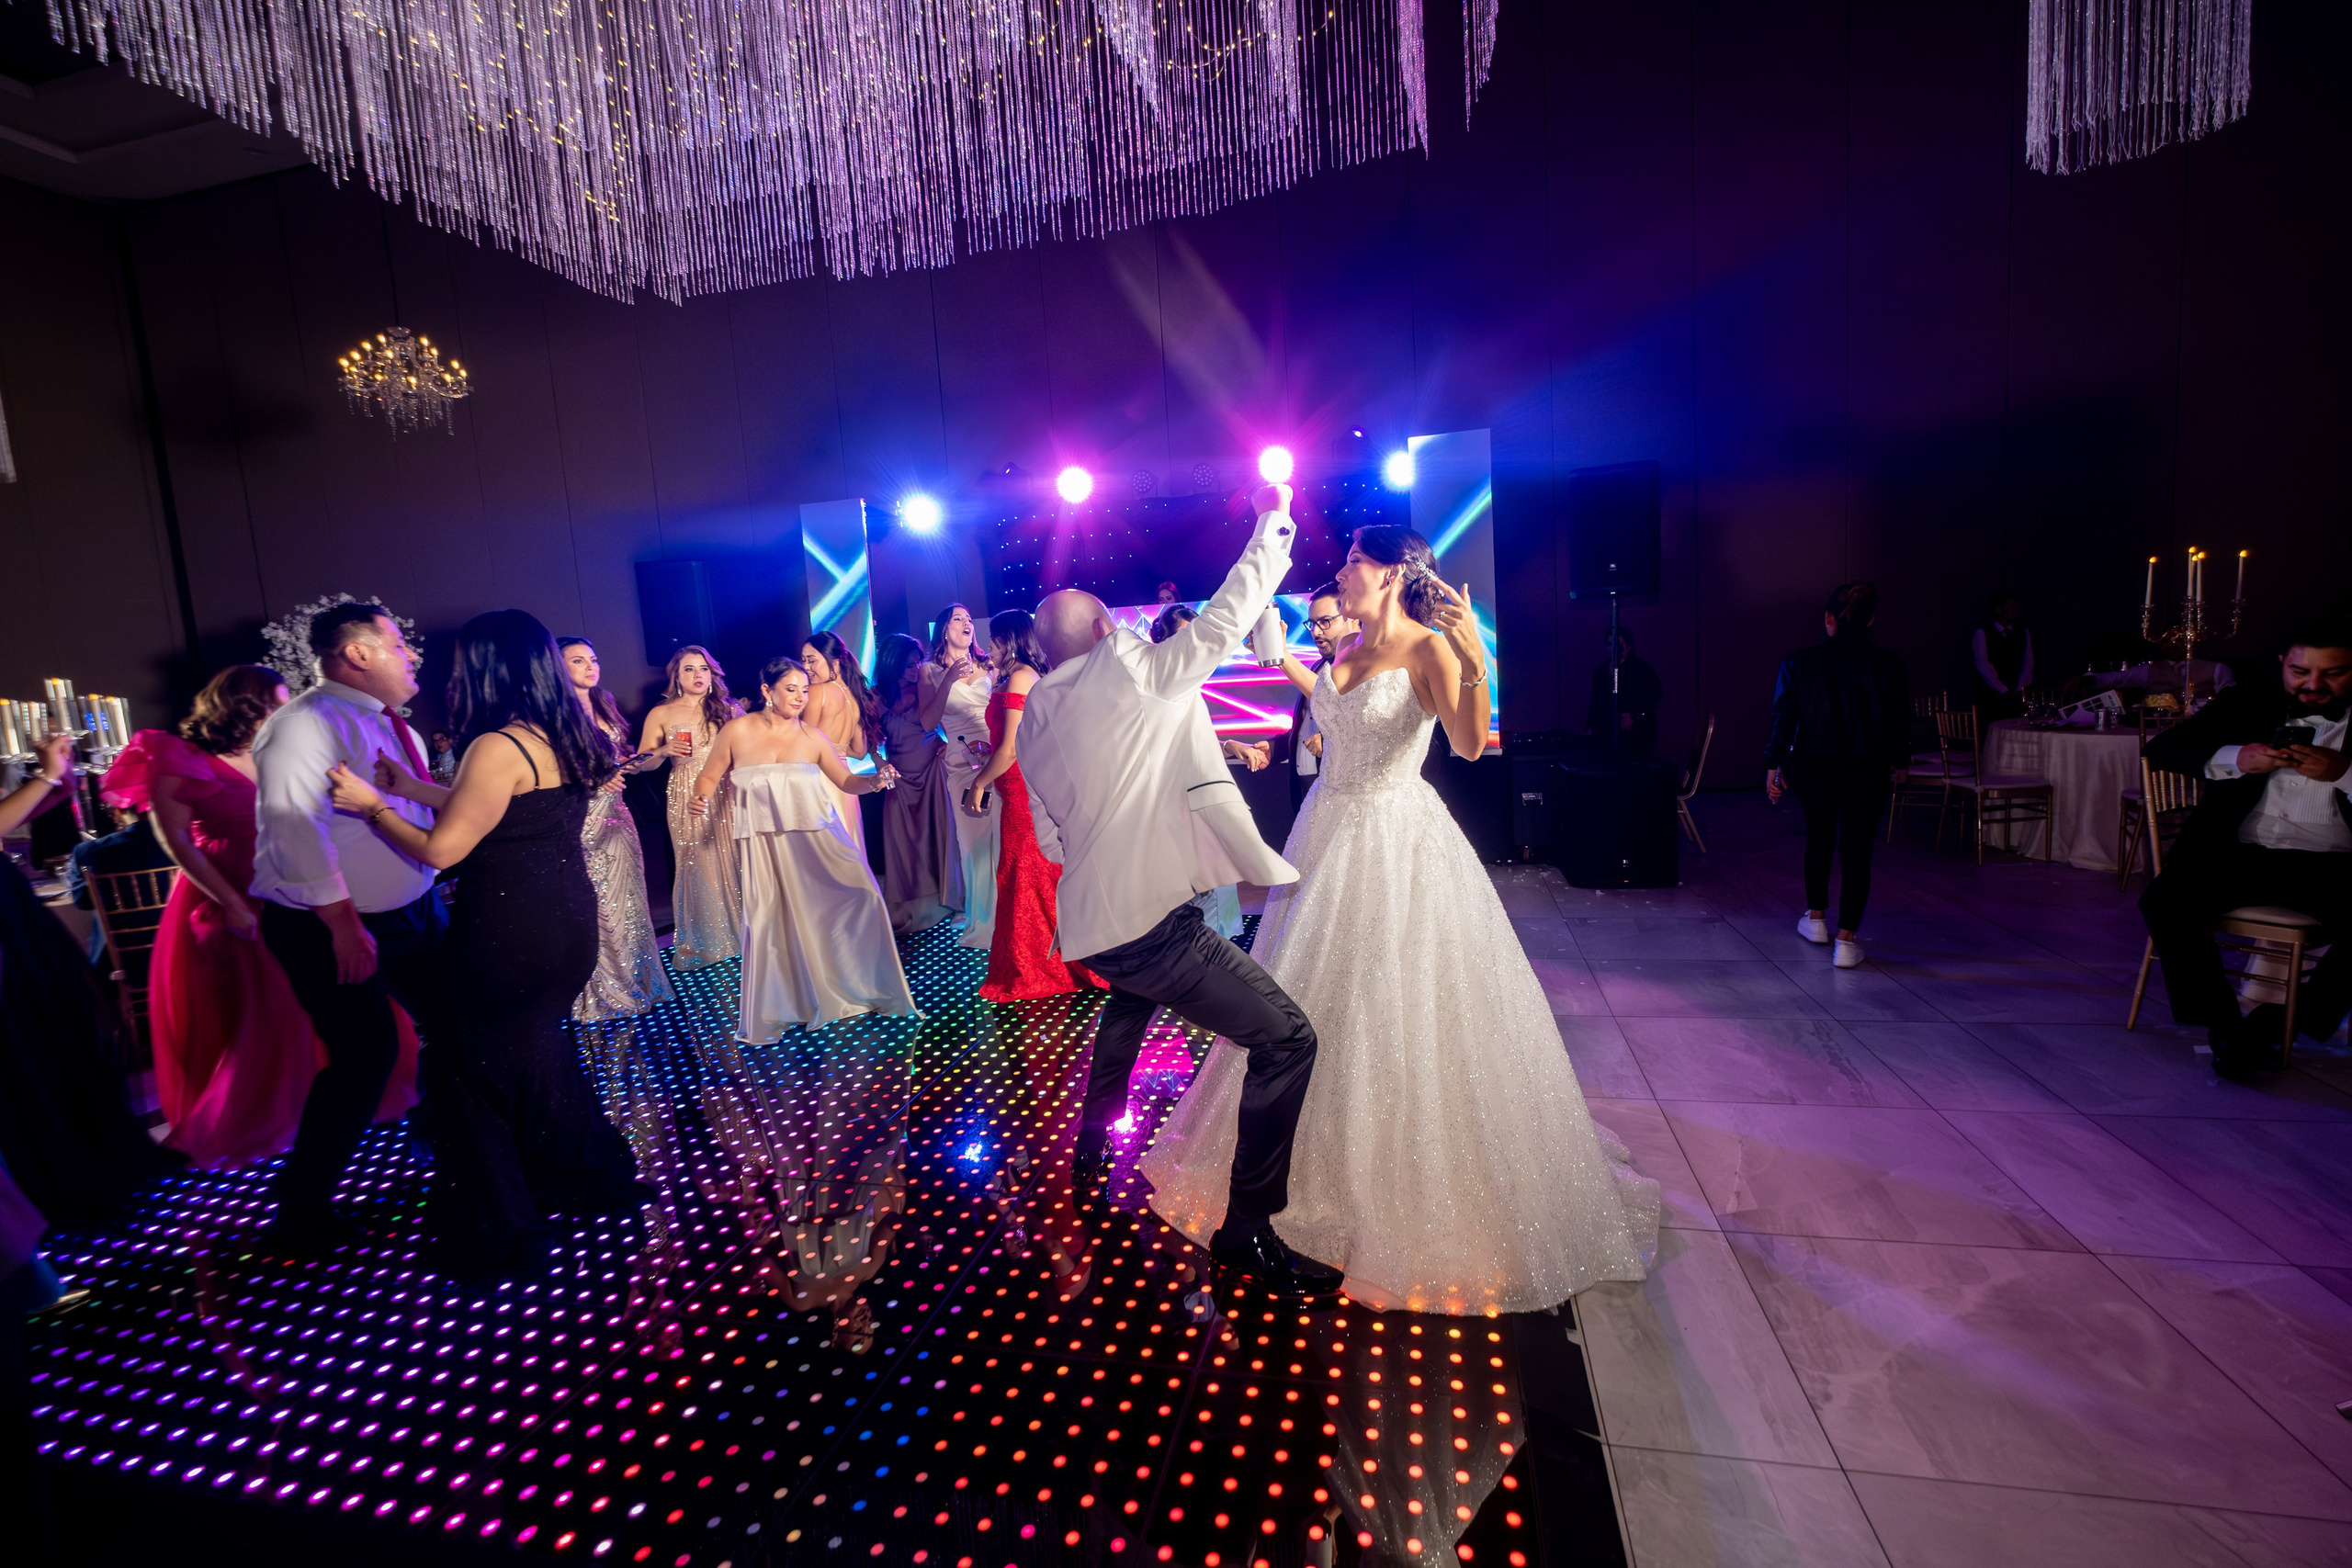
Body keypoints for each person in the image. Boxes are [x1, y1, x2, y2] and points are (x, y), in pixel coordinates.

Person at [1138, 520, 1657, 1314]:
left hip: (1392, 837)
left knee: (1395, 999)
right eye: (1346, 557)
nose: (1341, 569)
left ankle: (1395, 1180)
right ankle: (1294, 1169)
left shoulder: (1426, 646)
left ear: (1391, 573)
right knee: (1312, 994)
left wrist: (1475, 660)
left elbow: (1468, 744)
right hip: (1326, 831)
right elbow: (1330, 720)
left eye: (1354, 559)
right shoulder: (1342, 647)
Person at [1015, 484, 1338, 1292]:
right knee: (1288, 1039)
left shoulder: (1039, 719)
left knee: (1127, 1004)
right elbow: (1229, 613)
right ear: (1101, 630)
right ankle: (1247, 1229)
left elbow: (1054, 834)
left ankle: (1094, 1138)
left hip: (1099, 922)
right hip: (1153, 924)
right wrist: (1275, 516)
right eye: (1114, 621)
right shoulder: (1136, 675)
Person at [327, 609, 645, 1282]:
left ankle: (499, 1229)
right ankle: (582, 1173)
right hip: (566, 926)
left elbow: (444, 850)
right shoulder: (561, 731)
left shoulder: (495, 744)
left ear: (488, 668)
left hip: (508, 931)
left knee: (471, 1068)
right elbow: (506, 807)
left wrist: (370, 805)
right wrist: (413, 788)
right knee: (536, 1050)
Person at [105, 666, 419, 1170]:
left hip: (296, 879)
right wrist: (228, 900)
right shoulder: (181, 756)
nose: (287, 707)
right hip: (229, 885)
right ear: (242, 705)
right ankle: (261, 1114)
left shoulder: (288, 749)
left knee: (318, 1002)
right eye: (276, 700)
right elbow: (175, 840)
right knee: (258, 1008)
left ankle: (317, 1108)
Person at [250, 602, 449, 1249]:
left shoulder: (400, 730)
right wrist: (340, 922)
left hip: (416, 909)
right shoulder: (304, 724)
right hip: (336, 925)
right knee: (364, 1059)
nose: (411, 655)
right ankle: (300, 1213)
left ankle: (446, 1145)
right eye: (397, 643)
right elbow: (292, 829)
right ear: (357, 653)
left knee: (459, 1023)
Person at [2140, 614, 2352, 1079]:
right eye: (2300, 671)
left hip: (2335, 865)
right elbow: (2164, 750)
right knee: (2166, 899)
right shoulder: (2247, 703)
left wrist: (2346, 773)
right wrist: (2235, 758)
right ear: (2282, 664)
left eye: (2332, 673)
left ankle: (2284, 1025)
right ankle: (2223, 1024)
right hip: (2241, 854)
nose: (2313, 684)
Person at [0, 730, 175, 1232]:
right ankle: (64, 1176)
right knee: (34, 1041)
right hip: (7, 917)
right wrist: (47, 777)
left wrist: (48, 782)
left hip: (12, 909)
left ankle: (89, 1160)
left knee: (51, 1036)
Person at [690, 656, 913, 1038]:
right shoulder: (738, 731)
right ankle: (791, 1001)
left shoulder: (812, 737)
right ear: (767, 691)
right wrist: (700, 797)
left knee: (863, 897)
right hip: (765, 850)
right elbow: (709, 775)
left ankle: (856, 986)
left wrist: (874, 782)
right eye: (790, 689)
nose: (799, 697)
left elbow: (845, 780)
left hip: (819, 843)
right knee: (770, 923)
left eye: (804, 690)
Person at [1764, 582, 1913, 970]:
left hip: (1816, 767)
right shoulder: (1890, 664)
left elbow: (1785, 718)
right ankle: (1846, 941)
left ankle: (1816, 919)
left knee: (1819, 840)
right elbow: (1900, 720)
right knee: (1858, 851)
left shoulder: (1800, 662)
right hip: (1868, 768)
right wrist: (1901, 761)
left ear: (1829, 618)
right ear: (1872, 619)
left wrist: (1774, 765)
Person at [964, 610, 1105, 1001]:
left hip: (1024, 791)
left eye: (994, 640)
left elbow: (1010, 749)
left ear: (1011, 641)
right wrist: (986, 751)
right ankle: (1050, 962)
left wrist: (978, 782)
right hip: (1019, 788)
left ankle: (1044, 968)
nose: (988, 647)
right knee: (1027, 872)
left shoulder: (1022, 678)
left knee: (1027, 872)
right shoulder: (1020, 677)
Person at [559, 637, 675, 1021]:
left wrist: (638, 759)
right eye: (578, 661)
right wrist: (594, 777)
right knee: (598, 903)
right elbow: (552, 772)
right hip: (582, 816)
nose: (590, 666)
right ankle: (603, 990)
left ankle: (637, 979)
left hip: (618, 812)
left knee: (629, 899)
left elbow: (616, 755)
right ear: (557, 668)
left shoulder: (603, 702)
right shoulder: (554, 713)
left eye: (592, 658)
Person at [1150, 602, 1264, 938]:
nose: (1194, 647)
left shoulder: (1184, 686)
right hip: (1177, 806)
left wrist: (1231, 745)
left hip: (1199, 802)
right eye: (1185, 637)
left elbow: (1190, 741)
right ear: (1162, 641)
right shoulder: (1161, 687)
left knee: (1211, 896)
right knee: (1199, 903)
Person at [638, 645, 744, 971]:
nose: (697, 675)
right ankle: (712, 940)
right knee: (699, 861)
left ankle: (749, 933)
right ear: (676, 676)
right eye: (689, 669)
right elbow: (643, 764)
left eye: (703, 669)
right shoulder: (661, 713)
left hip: (728, 788)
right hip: (686, 791)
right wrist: (664, 749)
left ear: (712, 674)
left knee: (738, 857)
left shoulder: (729, 709)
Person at [874, 633, 964, 934]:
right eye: (908, 664)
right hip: (898, 780)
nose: (915, 669)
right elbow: (867, 741)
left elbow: (951, 721)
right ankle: (913, 909)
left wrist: (946, 743)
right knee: (903, 845)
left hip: (931, 773)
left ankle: (949, 902)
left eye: (918, 663)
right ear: (892, 663)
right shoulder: (875, 697)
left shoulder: (926, 688)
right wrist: (879, 763)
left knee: (938, 838)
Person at [924, 604, 1000, 949]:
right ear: (944, 630)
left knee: (1004, 838)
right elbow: (928, 723)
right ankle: (984, 920)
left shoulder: (990, 665)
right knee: (973, 846)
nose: (967, 623)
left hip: (997, 757)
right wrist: (949, 679)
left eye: (970, 619)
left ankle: (1011, 916)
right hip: (960, 766)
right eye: (959, 618)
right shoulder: (929, 672)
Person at [801, 630, 883, 856]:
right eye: (803, 660)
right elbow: (859, 751)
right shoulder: (853, 697)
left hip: (819, 780)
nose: (806, 666)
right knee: (848, 852)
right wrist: (833, 746)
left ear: (835, 662)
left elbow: (804, 744)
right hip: (845, 784)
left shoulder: (818, 691)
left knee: (824, 858)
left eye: (812, 660)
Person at [1277, 582, 1355, 812]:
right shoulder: (1317, 667)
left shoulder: (1366, 670)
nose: (1316, 632)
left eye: (1325, 622)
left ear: (1351, 618)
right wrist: (1275, 748)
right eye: (1312, 623)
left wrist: (1331, 742)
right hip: (1305, 791)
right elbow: (1306, 729)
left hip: (1343, 797)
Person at [65, 803, 172, 969]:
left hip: (119, 957)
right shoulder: (180, 847)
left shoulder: (89, 851)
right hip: (175, 947)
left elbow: (82, 901)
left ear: (119, 810)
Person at [1585, 627, 1665, 758]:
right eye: (1609, 644)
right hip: (1605, 735)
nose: (1612, 649)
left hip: (1633, 734)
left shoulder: (1640, 669)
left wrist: (1635, 715)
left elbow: (1655, 693)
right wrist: (1590, 725)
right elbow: (1596, 700)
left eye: (1617, 645)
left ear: (1628, 647)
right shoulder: (1601, 671)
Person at [1972, 593, 2035, 721]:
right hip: (1993, 696)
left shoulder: (2022, 632)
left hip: (2017, 692)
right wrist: (2002, 690)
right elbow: (1983, 665)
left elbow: (2028, 662)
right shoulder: (1983, 633)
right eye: (2012, 606)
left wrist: (2019, 689)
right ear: (1999, 609)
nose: (2016, 609)